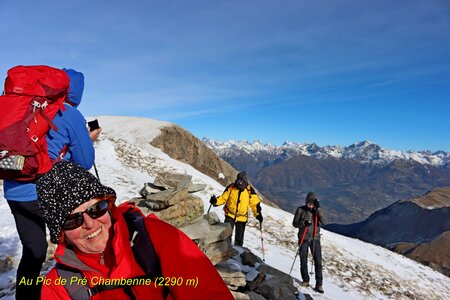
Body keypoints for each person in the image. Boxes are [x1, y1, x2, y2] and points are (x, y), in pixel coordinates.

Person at [36, 161, 233, 299]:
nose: (90, 224)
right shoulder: (59, 287)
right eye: (72, 220)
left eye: (96, 209)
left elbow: (208, 293)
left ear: (108, 205)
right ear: (60, 234)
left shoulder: (155, 238)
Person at [2, 68, 100, 299]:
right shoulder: (69, 113)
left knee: (34, 251)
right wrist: (89, 138)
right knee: (73, 248)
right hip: (48, 194)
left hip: (15, 193)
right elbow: (85, 162)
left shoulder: (25, 107)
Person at [209, 171, 263, 246]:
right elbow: (223, 198)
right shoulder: (231, 187)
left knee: (239, 239)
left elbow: (255, 204)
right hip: (229, 215)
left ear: (244, 181)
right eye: (238, 180)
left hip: (242, 218)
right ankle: (226, 251)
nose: (238, 182)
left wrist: (258, 215)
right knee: (227, 236)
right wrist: (215, 201)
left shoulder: (249, 191)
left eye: (240, 181)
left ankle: (238, 254)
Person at [292, 192, 326, 293]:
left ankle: (319, 284)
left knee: (318, 261)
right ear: (306, 202)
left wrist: (318, 210)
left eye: (312, 204)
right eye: (309, 204)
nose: (310, 206)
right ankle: (305, 280)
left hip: (315, 238)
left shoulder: (318, 211)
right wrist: (303, 223)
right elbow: (295, 223)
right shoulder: (300, 210)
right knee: (303, 259)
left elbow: (324, 222)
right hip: (304, 237)